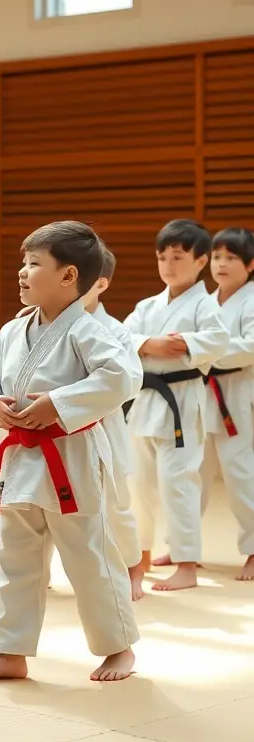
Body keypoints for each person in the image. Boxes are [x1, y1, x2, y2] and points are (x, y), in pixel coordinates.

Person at [0, 221, 139, 685]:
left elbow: (121, 377)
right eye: (23, 262)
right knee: (15, 556)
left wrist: (57, 405)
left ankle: (118, 647)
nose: (22, 272)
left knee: (88, 556)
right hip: (20, 456)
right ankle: (10, 650)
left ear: (68, 277)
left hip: (71, 456)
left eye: (34, 264)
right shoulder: (14, 329)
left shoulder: (87, 329)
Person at [124, 220, 229, 592]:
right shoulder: (147, 306)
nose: (168, 264)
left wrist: (184, 342)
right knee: (138, 484)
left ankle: (187, 563)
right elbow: (121, 336)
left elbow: (218, 341)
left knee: (179, 483)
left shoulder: (205, 304)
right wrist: (148, 344)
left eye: (178, 256)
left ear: (201, 261)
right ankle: (141, 554)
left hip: (182, 402)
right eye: (162, 257)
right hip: (146, 400)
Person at [80, 247, 144, 599]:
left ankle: (133, 567)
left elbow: (131, 381)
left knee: (116, 505)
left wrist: (79, 394)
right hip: (57, 432)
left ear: (100, 284)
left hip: (104, 427)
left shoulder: (115, 331)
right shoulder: (49, 323)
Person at [201, 227, 254, 581]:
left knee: (240, 472)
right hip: (200, 392)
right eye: (217, 256)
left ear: (250, 265)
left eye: (231, 257)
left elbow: (250, 347)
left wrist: (201, 352)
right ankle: (183, 545)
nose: (221, 263)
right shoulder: (205, 299)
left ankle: (253, 549)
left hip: (237, 391)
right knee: (191, 472)